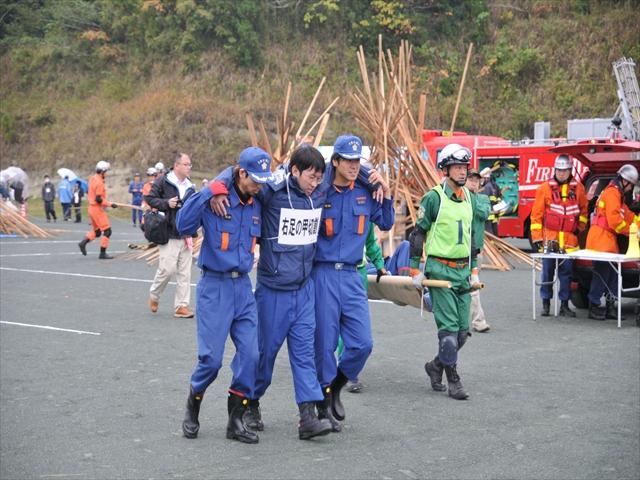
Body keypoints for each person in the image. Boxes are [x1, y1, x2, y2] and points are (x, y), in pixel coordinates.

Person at [210, 144, 333, 440]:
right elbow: (240, 174)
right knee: (263, 356)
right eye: (310, 177)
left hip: (304, 290)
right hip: (273, 291)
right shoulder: (271, 191)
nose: (315, 183)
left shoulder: (319, 192)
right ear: (294, 171)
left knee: (304, 355)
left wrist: (374, 178)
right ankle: (250, 402)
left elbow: (348, 171)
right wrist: (216, 187)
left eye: (319, 178)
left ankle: (307, 418)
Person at [176, 147, 272, 444]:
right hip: (214, 287)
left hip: (243, 287)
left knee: (251, 355)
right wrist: (208, 193)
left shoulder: (259, 201)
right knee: (212, 360)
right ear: (241, 173)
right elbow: (182, 225)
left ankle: (236, 419)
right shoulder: (215, 198)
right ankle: (194, 402)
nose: (259, 185)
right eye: (254, 179)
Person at [312, 134, 394, 424]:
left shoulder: (364, 191)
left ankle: (335, 387)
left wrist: (384, 187)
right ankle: (321, 404)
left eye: (357, 161)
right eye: (347, 160)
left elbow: (385, 222)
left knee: (362, 344)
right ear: (335, 161)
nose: (353, 166)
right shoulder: (319, 191)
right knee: (324, 345)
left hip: (351, 275)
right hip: (321, 273)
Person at [409, 143, 479, 401]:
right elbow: (418, 233)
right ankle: (453, 379)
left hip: (463, 271)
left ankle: (435, 365)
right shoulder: (434, 197)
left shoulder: (469, 197)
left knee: (462, 333)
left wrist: (474, 270)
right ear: (445, 169)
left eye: (464, 167)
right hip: (440, 270)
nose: (463, 172)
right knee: (449, 333)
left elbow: (472, 237)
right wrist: (415, 269)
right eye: (457, 167)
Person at [530, 154, 588, 317]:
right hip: (551, 240)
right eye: (559, 170)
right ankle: (546, 303)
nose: (561, 173)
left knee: (566, 276)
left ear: (570, 171)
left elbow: (584, 211)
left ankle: (564, 305)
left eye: (565, 171)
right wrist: (537, 238)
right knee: (547, 273)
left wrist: (580, 228)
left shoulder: (579, 189)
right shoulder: (544, 188)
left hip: (569, 242)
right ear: (555, 170)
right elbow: (536, 216)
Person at [145, 153, 196, 318]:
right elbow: (150, 198)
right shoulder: (163, 181)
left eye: (190, 164)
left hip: (186, 234)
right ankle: (154, 294)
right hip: (168, 232)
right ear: (177, 165)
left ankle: (182, 306)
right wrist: (166, 204)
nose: (189, 167)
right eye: (186, 164)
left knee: (185, 273)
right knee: (167, 270)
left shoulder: (191, 186)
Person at [586, 164, 640, 320]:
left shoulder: (617, 194)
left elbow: (628, 215)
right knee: (602, 273)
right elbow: (615, 221)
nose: (631, 189)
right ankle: (593, 305)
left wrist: (638, 223)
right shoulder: (612, 193)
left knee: (613, 274)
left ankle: (610, 306)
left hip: (607, 240)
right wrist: (633, 232)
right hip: (600, 239)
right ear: (625, 182)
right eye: (631, 186)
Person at [344, 222, 388, 393]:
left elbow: (369, 241)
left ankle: (348, 371)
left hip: (358, 272)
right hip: (332, 272)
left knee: (354, 327)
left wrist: (379, 264)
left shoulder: (364, 209)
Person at [465, 168, 492, 332]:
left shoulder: (482, 199)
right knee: (470, 286)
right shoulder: (457, 198)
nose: (474, 183)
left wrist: (471, 198)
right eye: (471, 179)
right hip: (457, 250)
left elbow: (483, 214)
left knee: (472, 286)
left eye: (477, 180)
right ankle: (478, 321)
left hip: (475, 251)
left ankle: (477, 321)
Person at [78, 161, 117, 259]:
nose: (106, 174)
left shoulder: (92, 178)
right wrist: (110, 204)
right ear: (102, 171)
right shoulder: (99, 182)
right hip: (97, 209)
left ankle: (83, 242)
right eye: (106, 171)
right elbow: (98, 199)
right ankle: (102, 253)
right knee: (107, 231)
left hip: (91, 208)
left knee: (98, 232)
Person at [480, 167, 502, 235]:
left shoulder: (486, 187)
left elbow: (483, 202)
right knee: (494, 236)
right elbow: (499, 199)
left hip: (488, 217)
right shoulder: (495, 186)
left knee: (489, 236)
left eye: (482, 178)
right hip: (494, 216)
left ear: (486, 178)